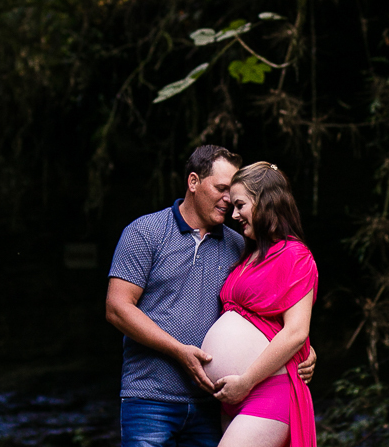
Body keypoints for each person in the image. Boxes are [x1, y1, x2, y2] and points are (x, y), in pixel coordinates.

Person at [106, 146, 315, 447]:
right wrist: (179, 350)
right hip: (151, 396)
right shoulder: (146, 232)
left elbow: (272, 306)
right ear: (193, 182)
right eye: (221, 188)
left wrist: (304, 348)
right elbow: (116, 308)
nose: (229, 200)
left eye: (233, 193)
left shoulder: (239, 244)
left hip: (211, 401)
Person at [203, 162, 317, 447]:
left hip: (266, 390)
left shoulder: (295, 255)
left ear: (265, 199)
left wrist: (246, 382)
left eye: (240, 204)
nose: (234, 215)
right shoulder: (249, 255)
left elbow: (295, 332)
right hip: (235, 396)